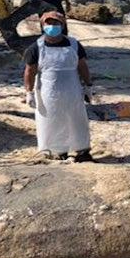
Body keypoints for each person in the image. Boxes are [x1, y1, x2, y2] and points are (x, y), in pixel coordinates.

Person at [23, 11, 94, 162]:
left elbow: (82, 66)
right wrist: (28, 92)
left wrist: (88, 85)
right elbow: (30, 71)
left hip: (72, 90)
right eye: (48, 23)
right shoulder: (36, 47)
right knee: (52, 121)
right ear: (42, 26)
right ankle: (58, 151)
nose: (52, 26)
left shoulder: (74, 44)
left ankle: (82, 151)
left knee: (77, 120)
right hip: (48, 92)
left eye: (56, 23)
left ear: (62, 25)